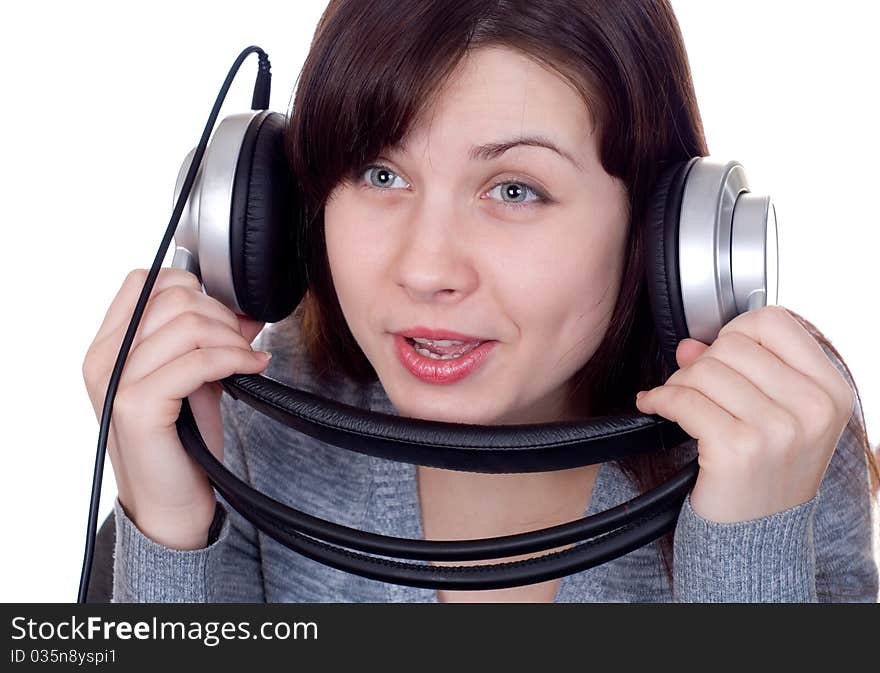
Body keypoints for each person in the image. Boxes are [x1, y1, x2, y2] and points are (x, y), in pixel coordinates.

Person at [82, 0, 879, 603]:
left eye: (514, 189)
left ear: (661, 227)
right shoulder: (247, 418)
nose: (426, 270)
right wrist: (167, 528)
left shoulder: (780, 438)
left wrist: (748, 555)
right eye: (380, 174)